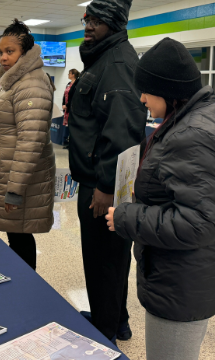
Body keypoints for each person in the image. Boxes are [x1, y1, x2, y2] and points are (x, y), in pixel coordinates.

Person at [106, 38, 215, 360]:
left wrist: (127, 217)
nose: (141, 99)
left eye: (146, 91)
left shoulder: (190, 135)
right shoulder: (194, 120)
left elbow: (199, 223)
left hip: (180, 283)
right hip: (187, 275)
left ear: (168, 91)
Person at [68, 0, 147, 343]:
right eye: (88, 18)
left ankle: (103, 334)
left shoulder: (117, 64)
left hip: (106, 187)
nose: (89, 25)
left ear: (114, 25)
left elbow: (122, 134)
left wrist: (104, 187)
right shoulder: (104, 58)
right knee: (111, 259)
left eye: (98, 21)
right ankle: (115, 319)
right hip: (102, 182)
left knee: (103, 260)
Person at [0, 19, 56, 271]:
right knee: (17, 234)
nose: (3, 57)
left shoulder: (31, 84)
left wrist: (15, 190)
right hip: (6, 170)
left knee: (20, 236)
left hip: (16, 176)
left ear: (26, 53)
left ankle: (26, 288)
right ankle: (22, 282)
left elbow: (30, 141)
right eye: (1, 52)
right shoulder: (13, 82)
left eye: (10, 51)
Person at [62, 68, 80, 149]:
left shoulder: (77, 84)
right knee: (68, 126)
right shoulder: (69, 83)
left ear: (73, 75)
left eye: (69, 73)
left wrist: (67, 105)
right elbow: (64, 95)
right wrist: (63, 104)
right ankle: (67, 142)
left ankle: (71, 144)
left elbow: (73, 97)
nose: (68, 75)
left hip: (72, 108)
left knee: (72, 126)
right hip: (66, 108)